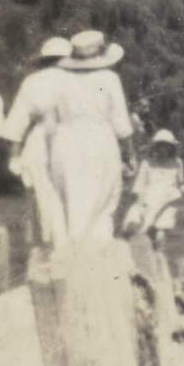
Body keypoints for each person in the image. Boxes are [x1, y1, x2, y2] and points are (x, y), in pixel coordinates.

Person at [0, 36, 79, 246]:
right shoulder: (81, 80)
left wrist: (14, 158)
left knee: (47, 201)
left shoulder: (33, 82)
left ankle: (55, 251)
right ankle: (76, 253)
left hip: (42, 142)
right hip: (77, 141)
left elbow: (14, 127)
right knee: (77, 199)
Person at [58, 30, 137, 241]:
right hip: (99, 139)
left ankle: (75, 253)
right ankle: (98, 256)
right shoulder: (109, 78)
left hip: (67, 141)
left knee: (75, 200)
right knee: (104, 200)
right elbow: (121, 123)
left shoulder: (64, 80)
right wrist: (130, 156)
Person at [121, 129, 184, 247]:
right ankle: (136, 244)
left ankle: (159, 252)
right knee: (135, 221)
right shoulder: (147, 163)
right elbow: (140, 184)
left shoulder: (177, 163)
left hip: (168, 199)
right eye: (160, 145)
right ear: (156, 147)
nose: (163, 149)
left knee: (160, 230)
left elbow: (182, 184)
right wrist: (139, 200)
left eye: (166, 146)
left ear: (171, 147)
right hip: (149, 197)